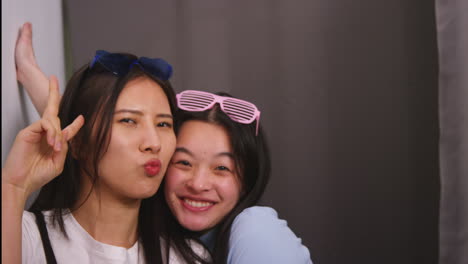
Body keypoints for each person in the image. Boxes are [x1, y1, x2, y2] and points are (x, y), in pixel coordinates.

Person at [15, 22, 313, 263]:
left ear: (247, 180)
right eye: (183, 162)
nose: (198, 183)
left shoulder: (252, 233)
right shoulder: (28, 235)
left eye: (222, 168)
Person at [4, 29, 209, 263]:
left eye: (163, 123)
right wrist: (14, 186)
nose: (154, 144)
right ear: (79, 143)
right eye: (129, 120)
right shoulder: (25, 238)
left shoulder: (188, 258)